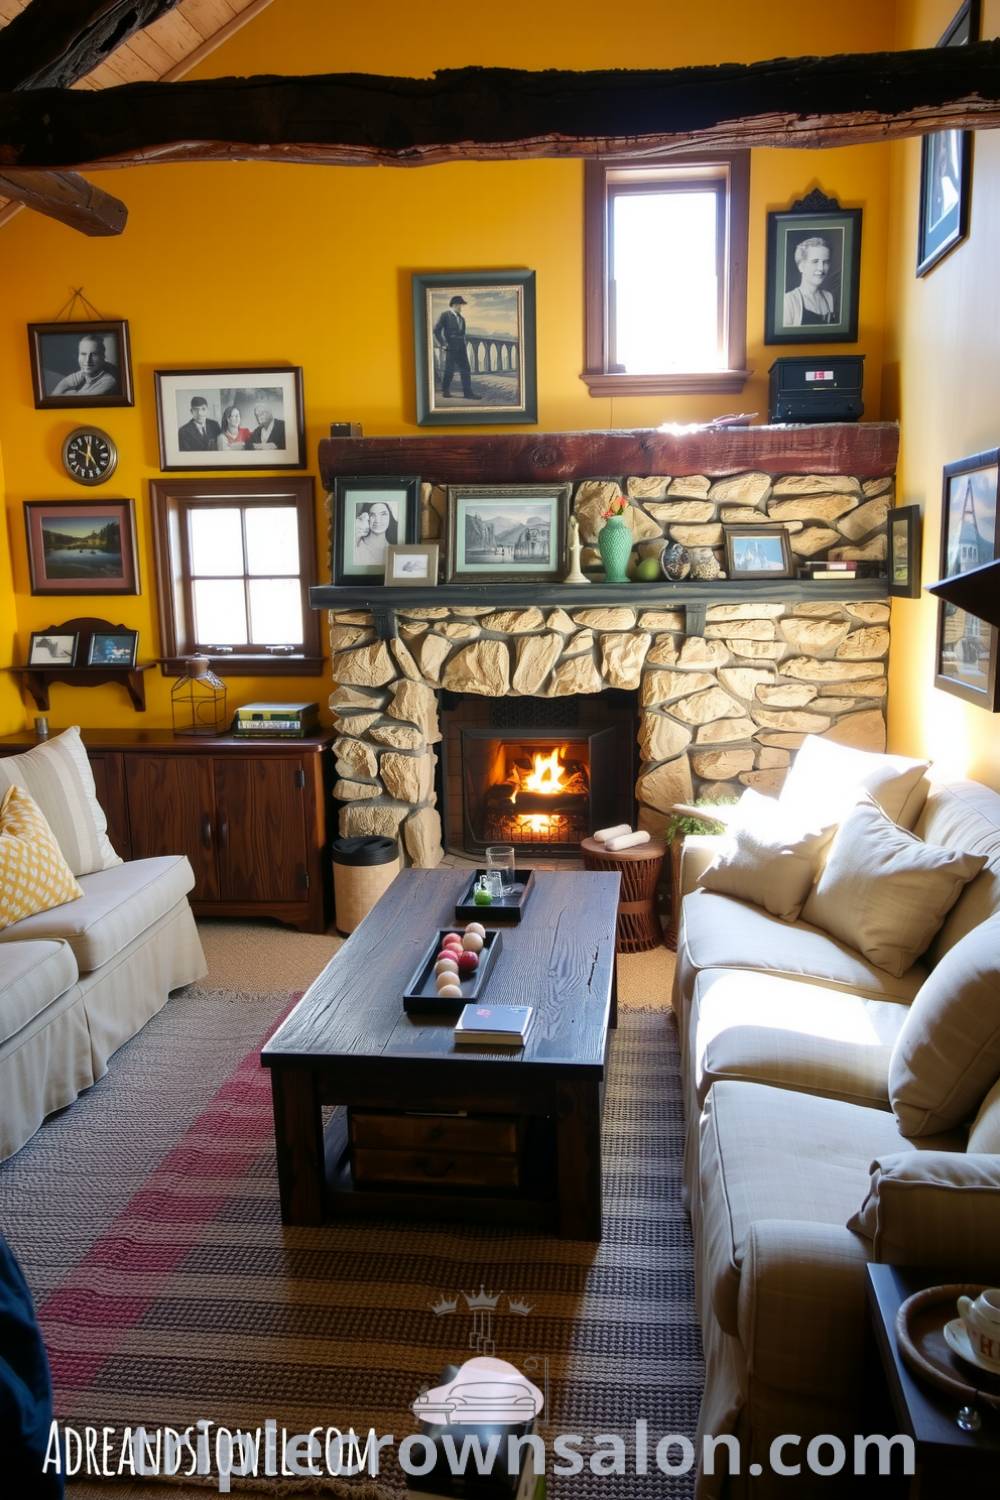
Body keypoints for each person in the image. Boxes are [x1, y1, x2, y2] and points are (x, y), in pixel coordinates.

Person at [433, 294, 481, 400]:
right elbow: (436, 330)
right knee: (449, 369)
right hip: (450, 346)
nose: (461, 307)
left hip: (461, 347)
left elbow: (462, 334)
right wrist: (443, 344)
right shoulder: (445, 315)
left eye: (461, 305)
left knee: (466, 369)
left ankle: (468, 393)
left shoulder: (462, 319)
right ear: (454, 305)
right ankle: (445, 391)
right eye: (460, 305)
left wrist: (463, 345)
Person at [782, 236, 836, 326]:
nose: (821, 268)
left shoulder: (829, 297)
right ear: (801, 266)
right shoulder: (788, 301)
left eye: (825, 262)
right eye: (815, 261)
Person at [51, 333, 119, 397]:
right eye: (83, 354)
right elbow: (63, 384)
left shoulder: (110, 381)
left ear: (103, 356)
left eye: (94, 354)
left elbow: (78, 402)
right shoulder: (87, 371)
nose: (87, 360)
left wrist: (70, 392)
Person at [353, 501, 398, 566]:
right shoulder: (356, 546)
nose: (378, 520)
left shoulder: (395, 548)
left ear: (390, 516)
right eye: (372, 515)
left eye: (383, 514)